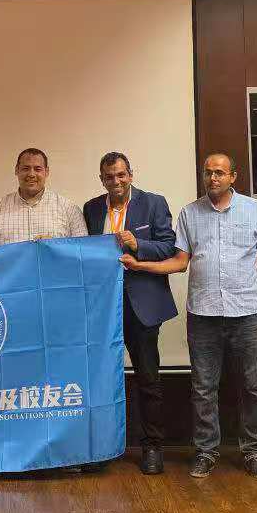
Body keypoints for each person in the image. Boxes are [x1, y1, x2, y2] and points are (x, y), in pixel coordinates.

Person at [121, 153, 257, 480]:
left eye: (219, 173)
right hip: (203, 313)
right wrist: (140, 264)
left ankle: (254, 452)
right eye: (207, 173)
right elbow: (179, 262)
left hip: (247, 312)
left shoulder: (255, 210)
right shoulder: (190, 213)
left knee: (252, 386)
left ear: (233, 176)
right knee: (203, 387)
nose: (213, 178)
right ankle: (206, 451)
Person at [84, 152, 178, 475]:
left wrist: (138, 245)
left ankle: (152, 446)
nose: (116, 181)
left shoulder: (153, 203)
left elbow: (168, 247)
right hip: (103, 306)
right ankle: (101, 448)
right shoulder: (91, 208)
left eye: (121, 175)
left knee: (148, 379)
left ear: (131, 174)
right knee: (100, 378)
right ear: (102, 179)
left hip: (142, 305)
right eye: (109, 176)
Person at [0, 148, 89, 247]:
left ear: (46, 172)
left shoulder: (69, 209)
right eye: (26, 168)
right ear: (16, 170)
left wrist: (56, 246)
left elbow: (82, 252)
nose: (31, 174)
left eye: (37, 169)